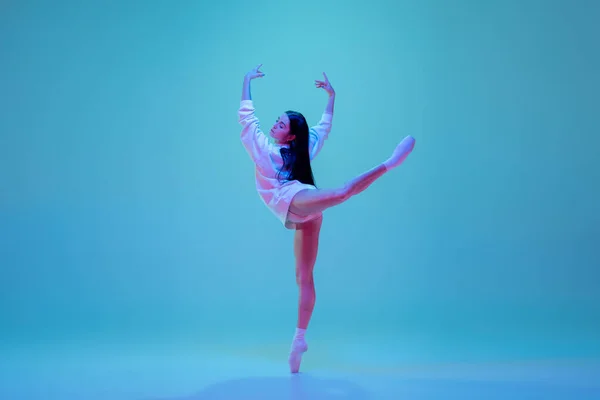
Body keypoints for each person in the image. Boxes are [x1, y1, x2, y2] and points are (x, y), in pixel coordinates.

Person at [238, 64, 415, 373]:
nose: (274, 124)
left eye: (280, 124)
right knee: (303, 277)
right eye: (276, 121)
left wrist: (332, 97)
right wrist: (247, 81)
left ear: (290, 136)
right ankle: (298, 340)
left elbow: (315, 127)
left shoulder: (279, 150)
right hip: (302, 208)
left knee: (343, 192)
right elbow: (316, 125)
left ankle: (390, 163)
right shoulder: (272, 148)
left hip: (296, 200)